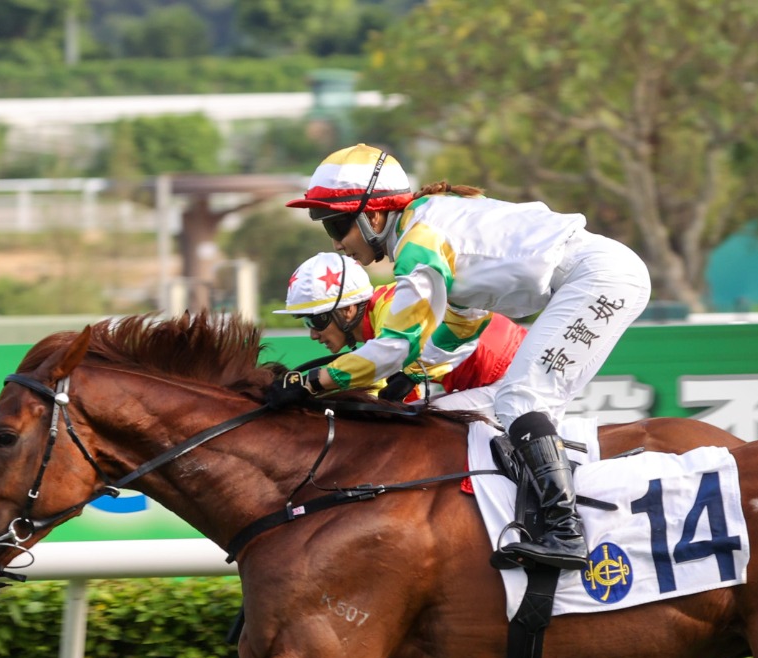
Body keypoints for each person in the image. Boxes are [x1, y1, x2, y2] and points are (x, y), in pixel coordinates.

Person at [271, 144, 652, 571]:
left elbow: (397, 343)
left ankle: (565, 531)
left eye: (338, 226)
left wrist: (315, 381)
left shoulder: (419, 242)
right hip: (596, 276)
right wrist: (412, 374)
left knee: (522, 400)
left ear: (373, 215)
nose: (338, 243)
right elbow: (462, 326)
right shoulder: (428, 222)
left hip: (598, 277)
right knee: (517, 401)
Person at [271, 251, 525, 402]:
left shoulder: (390, 316)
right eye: (306, 322)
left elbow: (385, 383)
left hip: (508, 376)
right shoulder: (381, 314)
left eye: (317, 321)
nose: (313, 334)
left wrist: (310, 385)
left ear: (347, 310)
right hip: (499, 373)